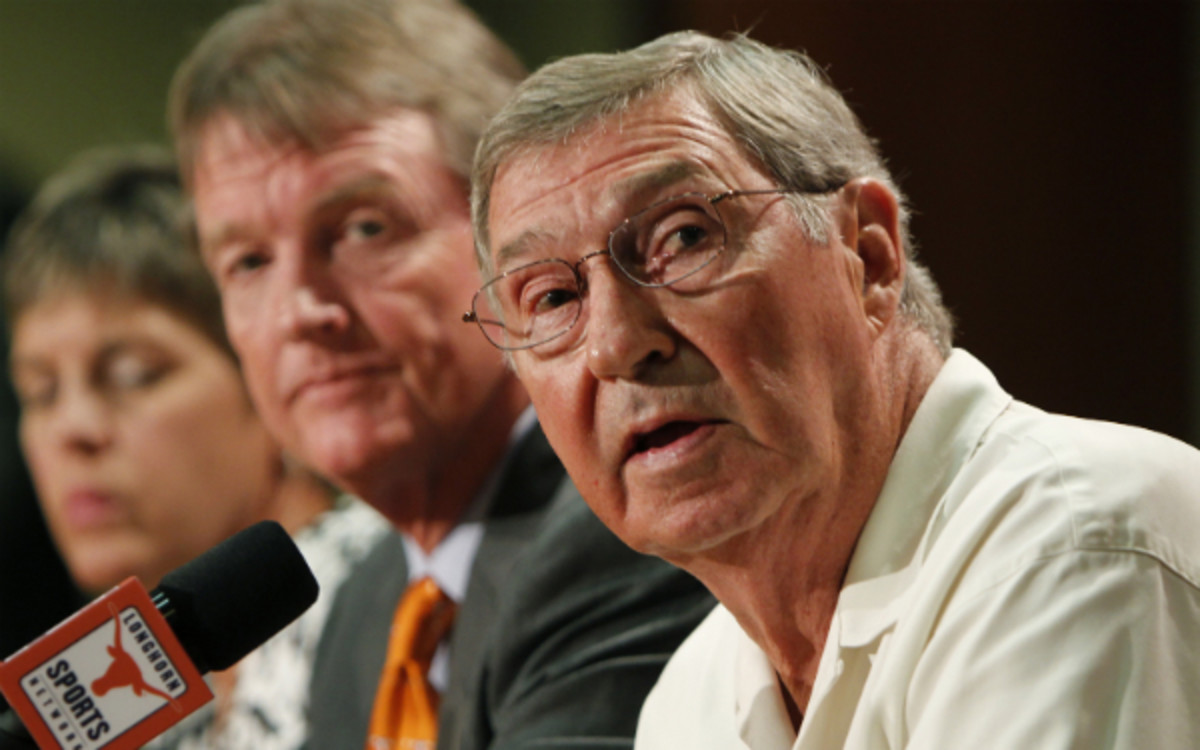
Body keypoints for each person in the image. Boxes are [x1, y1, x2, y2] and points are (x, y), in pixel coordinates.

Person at [467, 30, 1200, 749]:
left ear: (868, 255)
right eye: (553, 298)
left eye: (683, 238)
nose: (617, 345)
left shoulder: (1071, 545)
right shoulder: (692, 698)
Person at [169, 1, 714, 748]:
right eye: (249, 262)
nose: (300, 309)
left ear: (517, 237)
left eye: (365, 229)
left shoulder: (629, 529)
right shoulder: (357, 609)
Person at [2, 145, 392, 749]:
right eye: (40, 391)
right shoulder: (127, 682)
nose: (73, 429)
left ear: (264, 377)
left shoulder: (396, 584)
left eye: (135, 374)